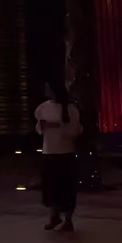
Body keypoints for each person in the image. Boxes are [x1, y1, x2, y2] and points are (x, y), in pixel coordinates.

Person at [36, 82, 82, 231]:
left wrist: (60, 126)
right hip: (49, 152)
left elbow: (76, 130)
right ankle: (54, 216)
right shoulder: (43, 108)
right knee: (51, 186)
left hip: (65, 153)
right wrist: (44, 126)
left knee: (66, 187)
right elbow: (39, 127)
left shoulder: (70, 109)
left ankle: (68, 219)